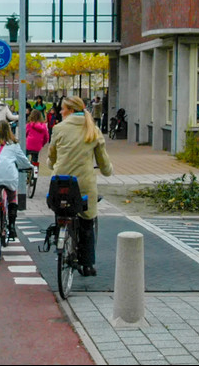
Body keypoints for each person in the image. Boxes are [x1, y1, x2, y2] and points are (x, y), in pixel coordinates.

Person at [47, 97, 113, 276]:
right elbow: (103, 162)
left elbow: (51, 157)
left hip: (60, 182)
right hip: (84, 185)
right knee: (86, 222)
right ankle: (88, 264)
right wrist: (107, 171)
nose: (60, 112)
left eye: (62, 109)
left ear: (69, 110)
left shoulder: (59, 129)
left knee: (61, 211)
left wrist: (52, 164)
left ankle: (59, 235)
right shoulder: (93, 130)